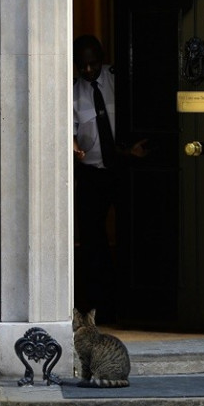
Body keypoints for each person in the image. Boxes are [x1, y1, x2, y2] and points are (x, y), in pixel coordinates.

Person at [72, 34, 146, 323]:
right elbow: (69, 128)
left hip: (126, 169)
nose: (89, 70)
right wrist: (72, 144)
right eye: (82, 65)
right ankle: (102, 303)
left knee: (132, 233)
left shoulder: (119, 80)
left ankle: (135, 302)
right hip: (92, 175)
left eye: (93, 63)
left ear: (102, 58)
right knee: (93, 242)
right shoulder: (73, 92)